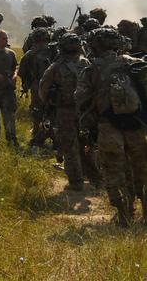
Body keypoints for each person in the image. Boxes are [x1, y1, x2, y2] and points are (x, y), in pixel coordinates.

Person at [75, 27, 147, 226]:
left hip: (108, 127)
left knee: (114, 170)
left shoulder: (91, 69)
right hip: (137, 126)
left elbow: (80, 100)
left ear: (95, 45)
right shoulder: (135, 64)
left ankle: (124, 216)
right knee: (142, 169)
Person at [39, 33, 99, 191]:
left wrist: (49, 103)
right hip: (86, 112)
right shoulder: (86, 63)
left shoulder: (56, 66)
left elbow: (43, 89)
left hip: (65, 111)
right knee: (87, 143)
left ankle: (76, 181)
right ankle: (95, 178)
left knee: (69, 145)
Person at [19, 28, 53, 149]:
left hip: (36, 87)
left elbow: (22, 72)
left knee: (37, 112)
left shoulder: (30, 54)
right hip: (52, 88)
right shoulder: (54, 51)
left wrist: (25, 84)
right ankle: (52, 136)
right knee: (51, 112)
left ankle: (37, 135)